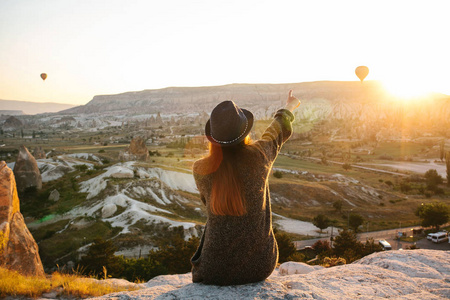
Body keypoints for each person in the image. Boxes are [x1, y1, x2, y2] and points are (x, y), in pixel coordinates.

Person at [191, 90, 301, 285]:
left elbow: (208, 204)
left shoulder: (200, 169)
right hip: (259, 266)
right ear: (245, 132)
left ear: (213, 138)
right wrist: (289, 107)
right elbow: (275, 132)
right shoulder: (259, 156)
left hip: (213, 270)